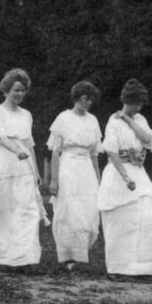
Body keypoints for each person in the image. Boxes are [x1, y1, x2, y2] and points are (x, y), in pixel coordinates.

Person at [0, 68, 45, 270]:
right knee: (2, 211)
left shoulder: (26, 114)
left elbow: (29, 143)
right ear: (7, 90)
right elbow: (0, 136)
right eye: (16, 90)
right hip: (4, 164)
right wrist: (16, 151)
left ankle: (24, 257)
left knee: (26, 210)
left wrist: (35, 170)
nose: (20, 94)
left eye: (23, 90)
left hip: (23, 166)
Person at [97, 79, 152, 279]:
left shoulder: (139, 120)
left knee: (146, 215)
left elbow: (150, 142)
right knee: (121, 220)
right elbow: (112, 152)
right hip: (119, 172)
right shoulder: (113, 121)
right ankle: (119, 268)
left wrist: (130, 120)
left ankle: (141, 268)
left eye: (141, 104)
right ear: (127, 100)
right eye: (136, 103)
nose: (139, 107)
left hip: (138, 172)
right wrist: (125, 177)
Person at [46, 81, 103, 272]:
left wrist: (98, 178)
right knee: (69, 210)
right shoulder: (63, 118)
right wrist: (54, 179)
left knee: (88, 210)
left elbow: (95, 153)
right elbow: (55, 151)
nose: (89, 102)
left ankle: (79, 253)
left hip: (86, 168)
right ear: (78, 97)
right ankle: (67, 257)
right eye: (86, 98)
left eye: (91, 99)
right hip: (68, 166)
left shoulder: (93, 120)